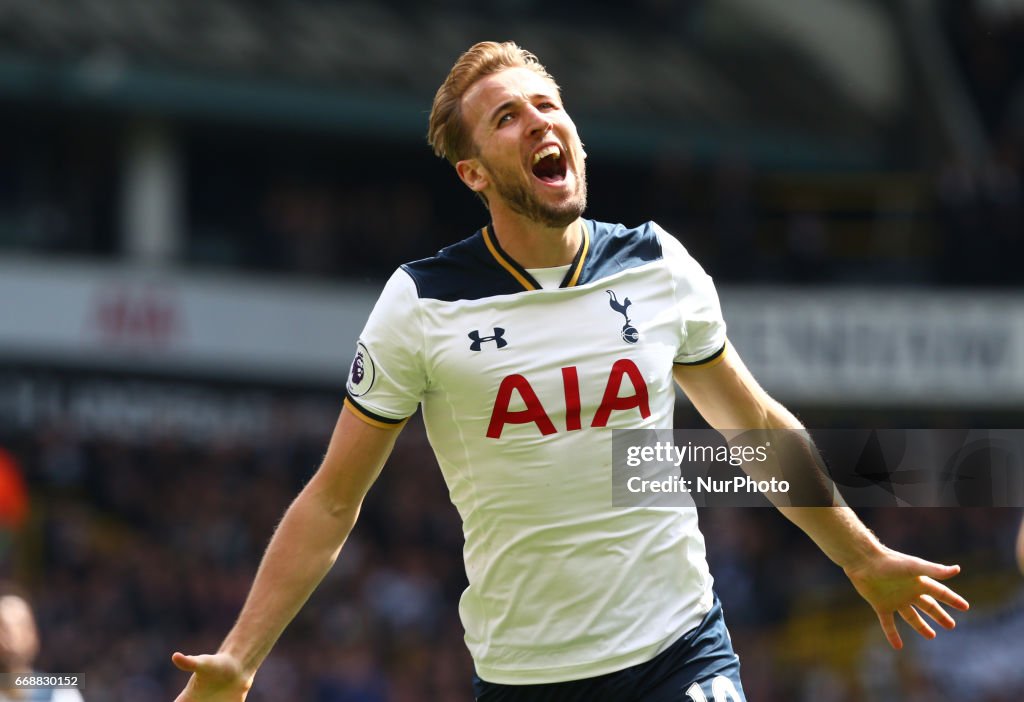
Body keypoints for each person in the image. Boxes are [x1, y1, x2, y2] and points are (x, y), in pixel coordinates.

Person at [172, 41, 969, 701]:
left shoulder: (658, 264)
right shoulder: (420, 303)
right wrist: (241, 656)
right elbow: (334, 499)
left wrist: (861, 555)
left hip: (680, 648)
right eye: (506, 117)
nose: (538, 124)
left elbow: (753, 426)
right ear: (473, 172)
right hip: (528, 675)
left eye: (547, 106)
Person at [0, 586, 84, 702]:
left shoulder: (61, 694)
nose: (12, 636)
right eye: (4, 628)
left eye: (20, 626)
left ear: (34, 634)